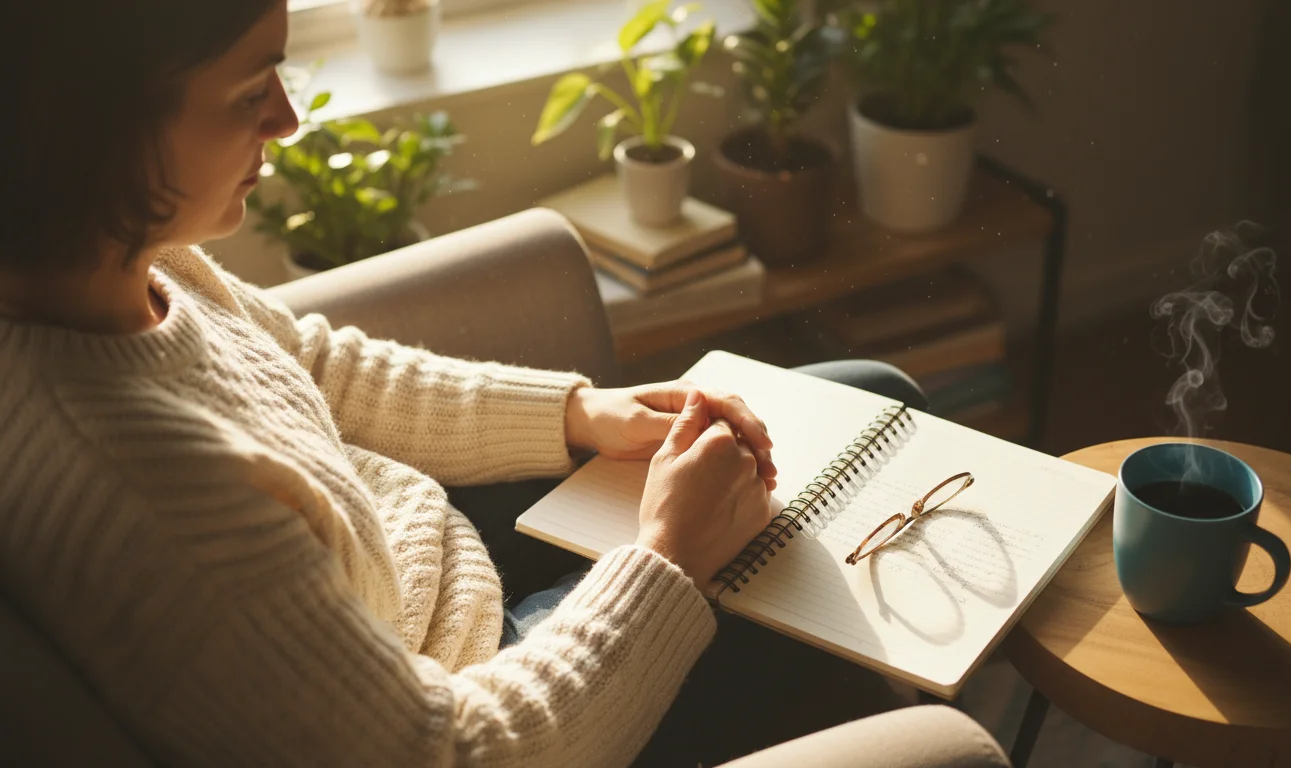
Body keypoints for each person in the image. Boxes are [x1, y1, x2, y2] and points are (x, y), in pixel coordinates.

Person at [0, 2, 939, 766]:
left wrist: (577, 416)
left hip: (426, 573)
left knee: (870, 391)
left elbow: (313, 367)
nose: (287, 118)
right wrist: (667, 557)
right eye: (251, 90)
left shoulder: (124, 266)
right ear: (102, 127)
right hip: (486, 701)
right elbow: (451, 752)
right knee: (842, 566)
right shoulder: (159, 499)